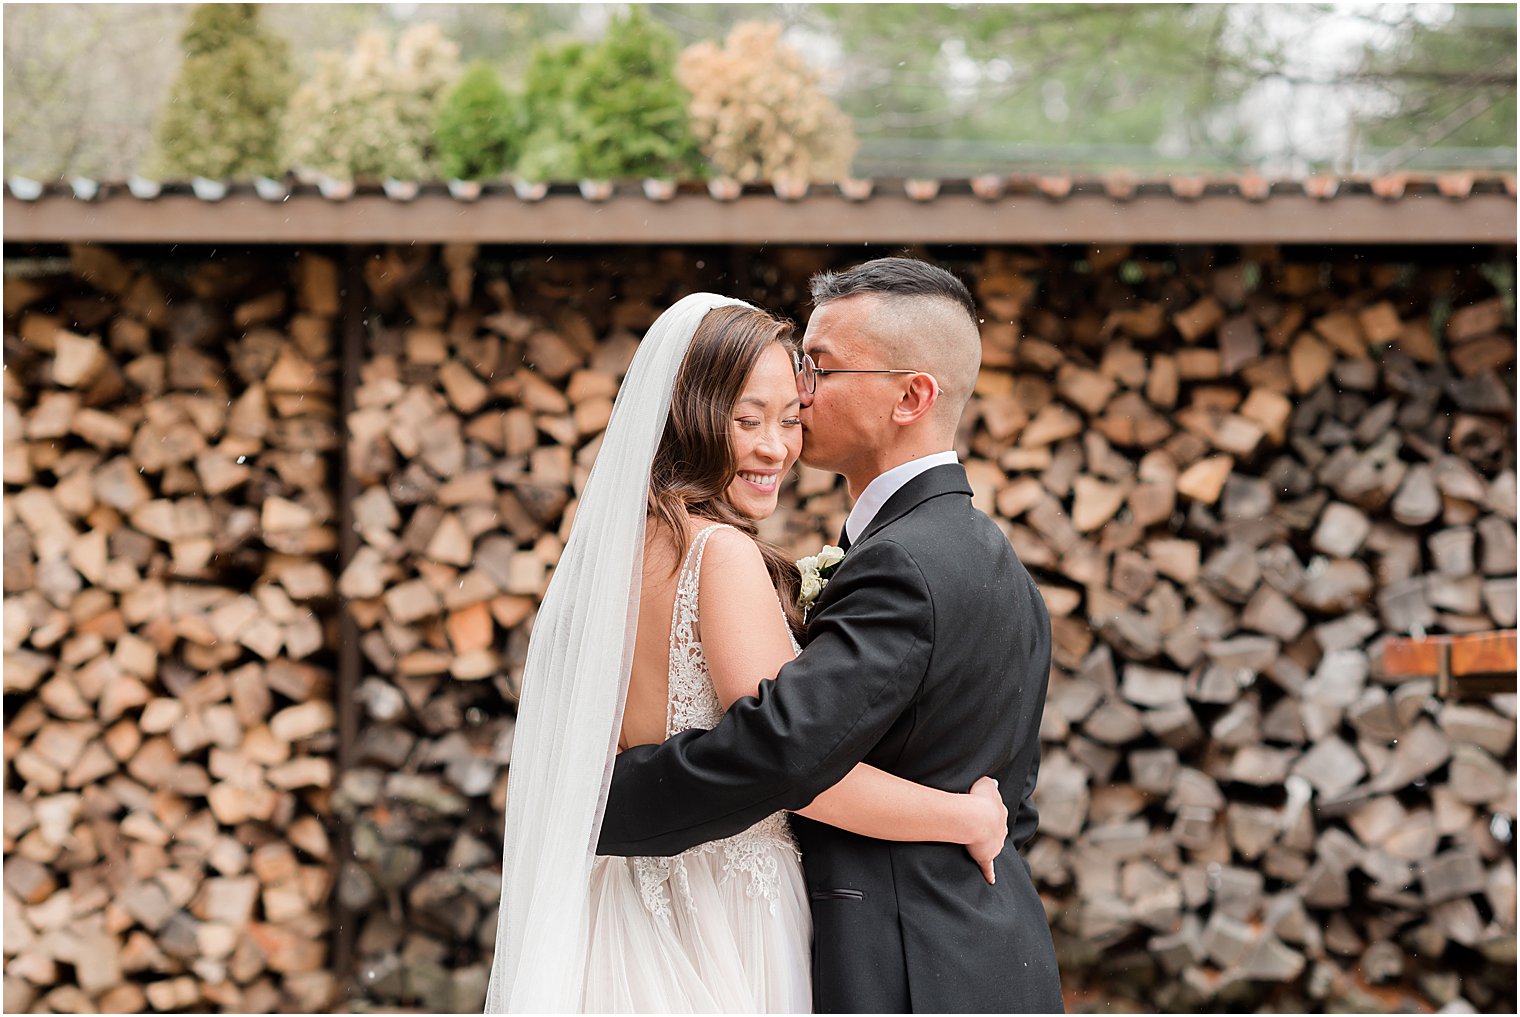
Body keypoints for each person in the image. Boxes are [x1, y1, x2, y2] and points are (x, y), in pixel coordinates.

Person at [484, 293, 1008, 1014]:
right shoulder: (718, 556)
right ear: (691, 415)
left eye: (790, 418)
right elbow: (796, 767)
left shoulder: (614, 554)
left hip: (618, 901)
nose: (776, 447)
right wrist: (966, 818)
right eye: (747, 419)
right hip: (726, 914)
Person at [596, 260, 1064, 1013]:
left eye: (822, 367)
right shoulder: (990, 558)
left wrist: (593, 805)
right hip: (982, 949)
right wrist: (968, 821)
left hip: (905, 969)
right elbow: (1009, 792)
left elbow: (780, 749)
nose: (801, 390)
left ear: (912, 395)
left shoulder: (906, 563)